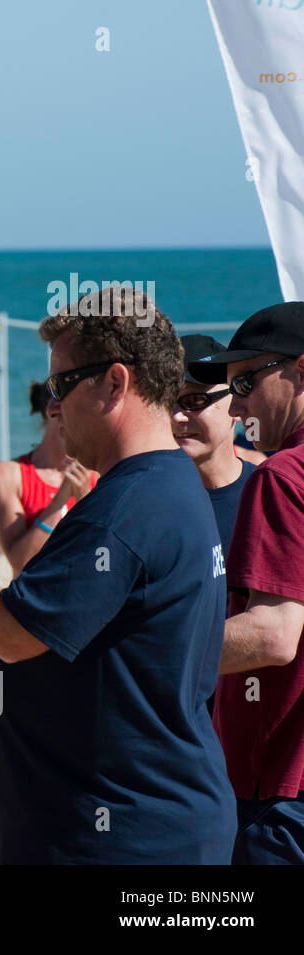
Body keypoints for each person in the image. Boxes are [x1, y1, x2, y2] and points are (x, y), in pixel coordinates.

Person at [0, 287, 235, 864]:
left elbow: (12, 628)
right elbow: (81, 643)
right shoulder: (171, 484)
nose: (51, 406)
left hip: (121, 836)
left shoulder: (126, 507)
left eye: (60, 385)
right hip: (154, 821)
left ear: (115, 383)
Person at [188, 302, 304, 863]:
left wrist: (139, 652)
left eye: (248, 382)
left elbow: (273, 635)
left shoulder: (282, 476)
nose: (236, 404)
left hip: (281, 786)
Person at [0, 381, 95, 575]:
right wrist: (60, 500)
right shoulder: (7, 475)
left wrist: (84, 498)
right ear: (53, 410)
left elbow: (103, 556)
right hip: (31, 601)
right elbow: (21, 563)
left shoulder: (98, 472)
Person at [174, 334, 255, 564]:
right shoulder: (143, 503)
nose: (177, 416)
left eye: (195, 400)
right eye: (166, 401)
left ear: (237, 401)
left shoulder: (269, 496)